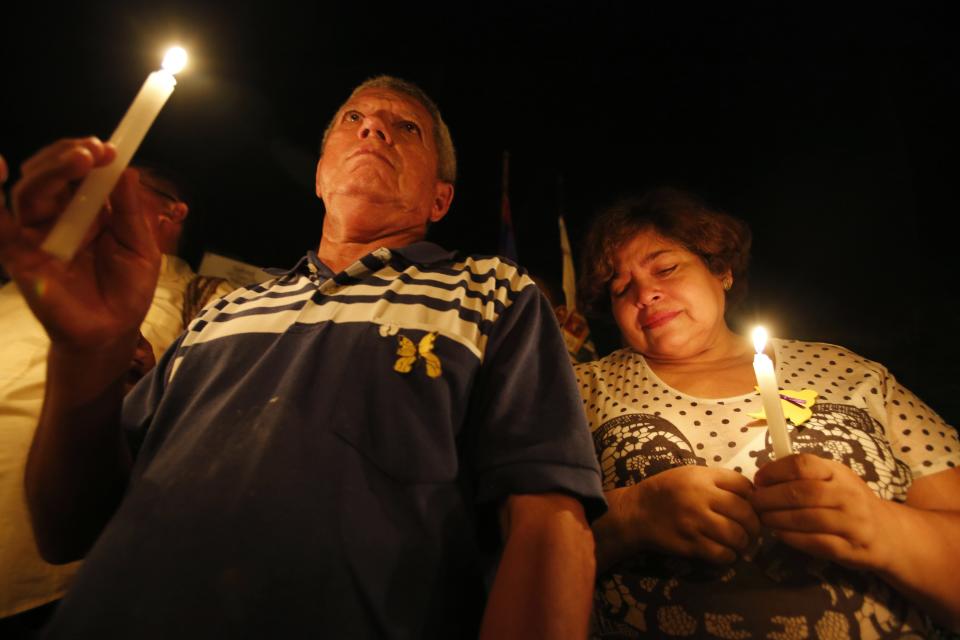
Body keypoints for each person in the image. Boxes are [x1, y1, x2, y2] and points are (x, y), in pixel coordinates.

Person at [0, 76, 605, 638]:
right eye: (354, 117)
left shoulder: (492, 293)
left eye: (406, 128)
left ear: (440, 198)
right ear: (319, 176)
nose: (373, 129)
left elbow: (547, 522)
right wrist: (88, 354)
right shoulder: (222, 313)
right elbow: (68, 528)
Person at [574, 187, 960, 638]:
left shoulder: (852, 374)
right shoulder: (581, 389)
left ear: (721, 271)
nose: (646, 294)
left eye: (666, 268)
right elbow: (513, 557)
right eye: (622, 289)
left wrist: (878, 526)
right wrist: (633, 516)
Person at [0, 163, 230, 634]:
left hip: (58, 579)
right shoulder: (18, 288)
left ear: (172, 212)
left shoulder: (207, 296)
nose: (87, 197)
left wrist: (141, 375)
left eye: (113, 187)